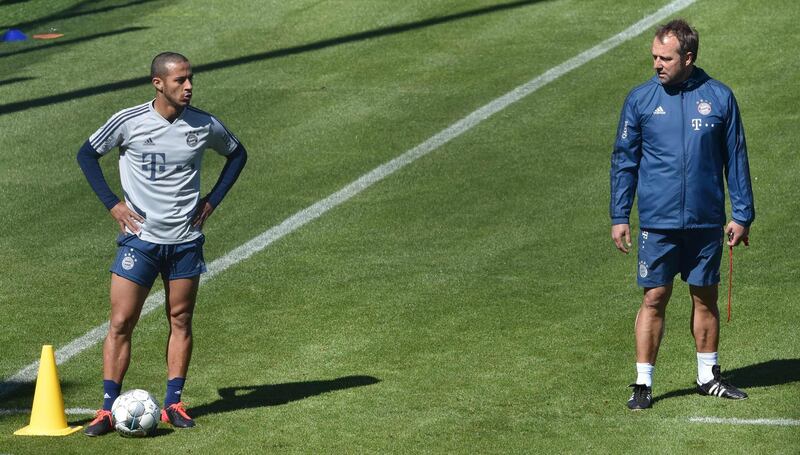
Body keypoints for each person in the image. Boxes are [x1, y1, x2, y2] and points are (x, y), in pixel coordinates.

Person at [77, 52, 247, 434]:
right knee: (121, 321)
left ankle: (173, 403)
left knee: (181, 319)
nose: (188, 87)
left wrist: (212, 201)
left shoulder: (204, 125)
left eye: (190, 80)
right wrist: (113, 205)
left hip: (185, 241)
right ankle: (106, 409)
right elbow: (87, 154)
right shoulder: (128, 121)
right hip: (140, 241)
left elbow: (237, 154)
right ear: (158, 83)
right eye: (179, 80)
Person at [609, 20, 754, 410]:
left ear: (688, 58)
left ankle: (708, 376)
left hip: (706, 222)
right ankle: (642, 383)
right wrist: (619, 214)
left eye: (665, 58)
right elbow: (624, 161)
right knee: (655, 296)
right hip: (657, 222)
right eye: (654, 56)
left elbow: (735, 159)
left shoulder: (720, 98)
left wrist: (742, 214)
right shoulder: (640, 100)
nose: (657, 64)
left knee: (704, 297)